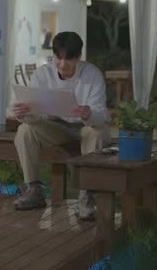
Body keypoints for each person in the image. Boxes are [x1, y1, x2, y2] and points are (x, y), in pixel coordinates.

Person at [9, 31, 111, 218]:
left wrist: (89, 113)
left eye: (69, 59)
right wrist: (24, 114)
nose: (63, 64)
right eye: (59, 58)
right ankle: (34, 189)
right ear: (53, 55)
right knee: (24, 130)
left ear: (79, 57)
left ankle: (86, 195)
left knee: (97, 132)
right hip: (55, 126)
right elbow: (36, 114)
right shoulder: (43, 74)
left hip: (85, 128)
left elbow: (101, 114)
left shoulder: (92, 74)